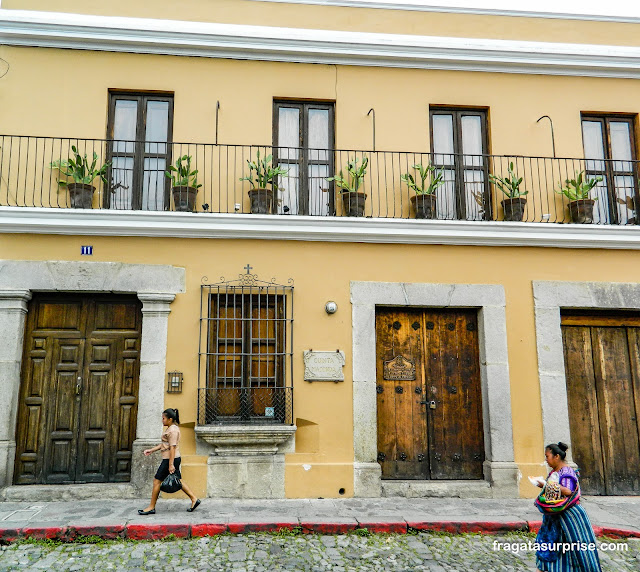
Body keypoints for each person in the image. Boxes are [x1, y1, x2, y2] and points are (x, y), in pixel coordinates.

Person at [534, 442, 601, 572]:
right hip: (555, 519)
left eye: (547, 456)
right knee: (550, 550)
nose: (546, 460)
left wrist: (546, 485)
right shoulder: (555, 472)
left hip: (569, 518)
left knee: (574, 551)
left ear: (556, 456)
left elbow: (568, 491)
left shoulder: (566, 472)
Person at [138, 408, 201, 515]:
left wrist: (171, 464)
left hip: (170, 460)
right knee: (178, 480)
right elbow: (164, 444)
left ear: (170, 419)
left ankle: (151, 507)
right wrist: (151, 450)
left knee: (156, 481)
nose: (162, 420)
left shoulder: (173, 430)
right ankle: (194, 499)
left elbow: (172, 447)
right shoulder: (170, 429)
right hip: (171, 459)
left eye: (163, 418)